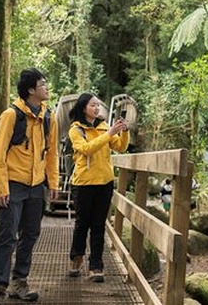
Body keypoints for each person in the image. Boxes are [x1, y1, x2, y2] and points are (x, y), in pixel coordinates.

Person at [0, 68, 59, 304]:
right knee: (7, 235)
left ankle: (19, 281)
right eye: (42, 84)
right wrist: (1, 188)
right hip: (12, 183)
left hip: (36, 185)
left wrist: (53, 182)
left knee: (30, 234)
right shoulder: (11, 115)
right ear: (31, 90)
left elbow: (52, 153)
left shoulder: (49, 116)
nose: (46, 87)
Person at [66, 93, 130, 282]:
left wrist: (123, 131)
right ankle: (77, 258)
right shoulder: (75, 130)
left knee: (98, 225)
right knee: (82, 224)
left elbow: (120, 147)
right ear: (83, 107)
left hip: (104, 183)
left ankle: (96, 266)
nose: (97, 108)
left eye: (98, 105)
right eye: (93, 105)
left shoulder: (104, 127)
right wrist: (109, 134)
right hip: (83, 183)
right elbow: (86, 149)